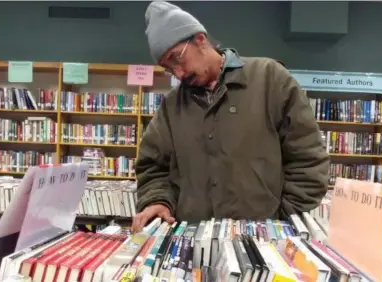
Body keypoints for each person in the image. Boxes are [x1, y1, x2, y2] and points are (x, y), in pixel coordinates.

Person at [131, 1, 330, 232]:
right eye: (168, 68)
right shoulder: (172, 105)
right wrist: (157, 201)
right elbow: (153, 168)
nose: (178, 73)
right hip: (193, 244)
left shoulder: (270, 80)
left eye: (177, 58)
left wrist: (282, 219)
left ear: (200, 39)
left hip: (264, 244)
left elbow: (308, 160)